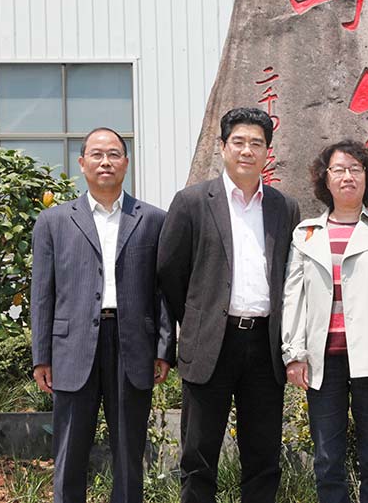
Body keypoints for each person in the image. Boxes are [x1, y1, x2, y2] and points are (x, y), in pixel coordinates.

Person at [157, 107, 300, 503]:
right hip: (210, 344)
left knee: (263, 457)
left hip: (264, 346)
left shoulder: (284, 207)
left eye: (256, 143)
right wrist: (198, 317)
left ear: (267, 152)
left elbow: (289, 274)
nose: (247, 151)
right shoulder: (191, 202)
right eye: (238, 142)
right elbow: (170, 271)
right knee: (199, 456)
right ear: (222, 147)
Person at [31, 127, 175, 503]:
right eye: (96, 154)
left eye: (113, 154)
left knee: (129, 452)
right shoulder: (53, 222)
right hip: (72, 346)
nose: (105, 161)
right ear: (82, 163)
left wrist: (164, 348)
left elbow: (163, 291)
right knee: (69, 451)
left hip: (132, 345)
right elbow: (42, 294)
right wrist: (41, 356)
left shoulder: (153, 220)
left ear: (126, 163)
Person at [282, 140, 368, 503]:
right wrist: (294, 353)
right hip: (323, 361)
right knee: (327, 459)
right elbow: (294, 297)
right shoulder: (307, 234)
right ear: (326, 179)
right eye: (338, 169)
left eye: (355, 169)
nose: (347, 176)